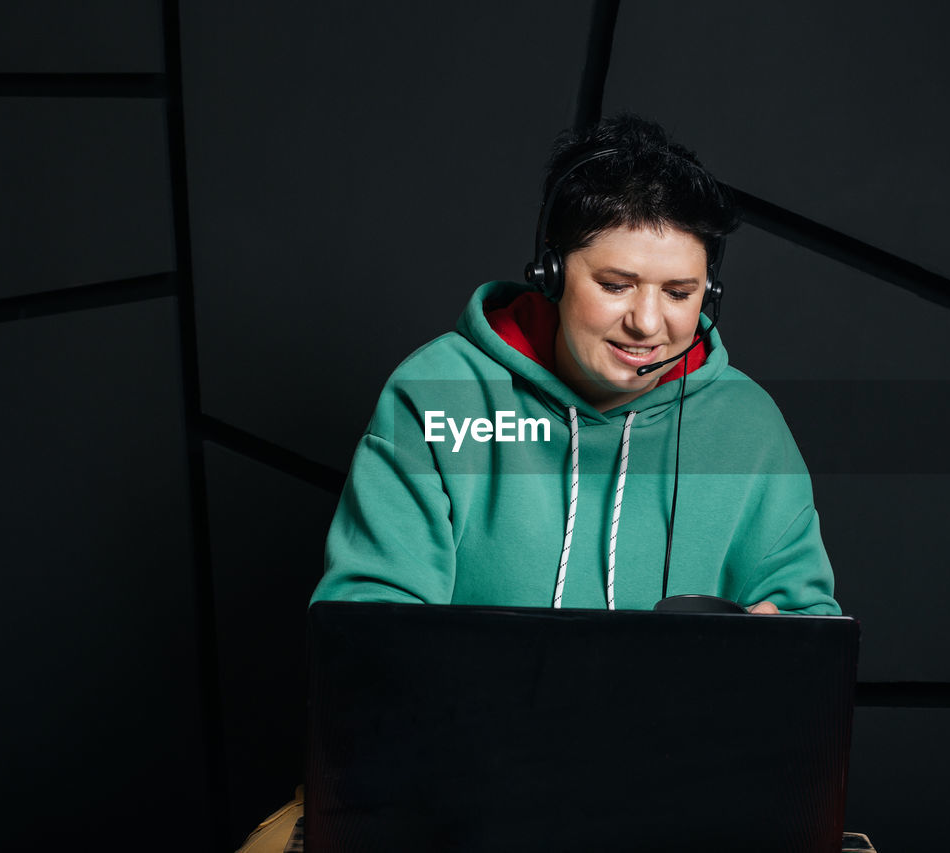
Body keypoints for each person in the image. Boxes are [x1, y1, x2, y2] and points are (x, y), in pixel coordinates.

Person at [311, 114, 838, 616]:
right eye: (615, 286)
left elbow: (808, 631)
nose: (648, 323)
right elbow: (367, 627)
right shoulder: (438, 395)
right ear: (551, 275)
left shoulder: (749, 427)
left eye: (679, 293)